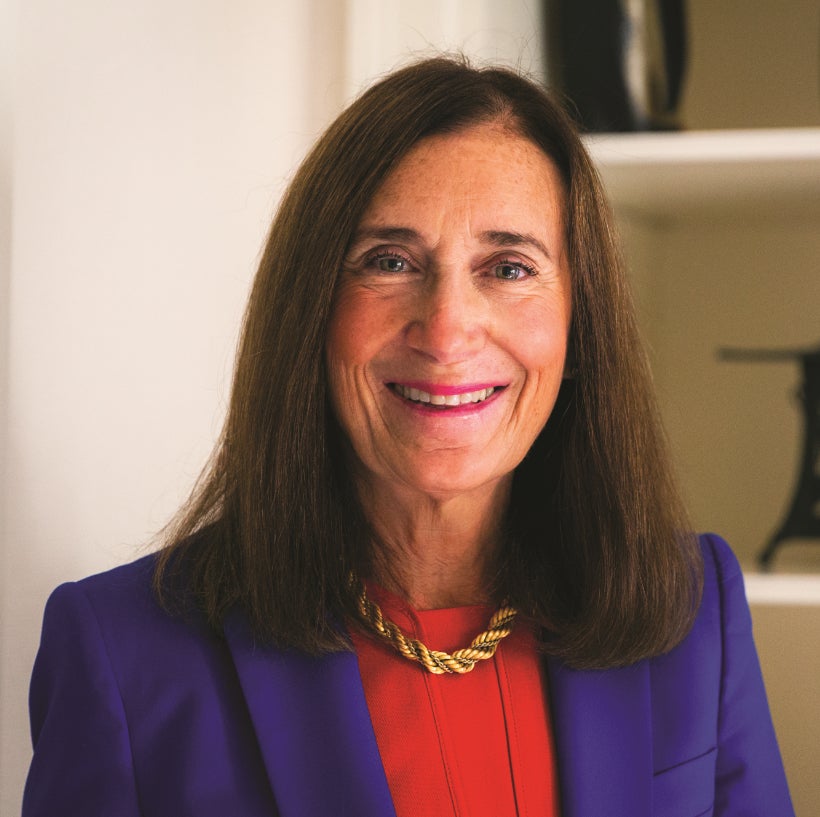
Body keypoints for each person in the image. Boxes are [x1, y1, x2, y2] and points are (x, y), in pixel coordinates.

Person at [23, 57, 793, 817]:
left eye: (509, 267)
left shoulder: (692, 614)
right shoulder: (122, 654)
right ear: (312, 309)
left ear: (577, 318)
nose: (449, 329)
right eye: (389, 261)